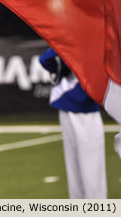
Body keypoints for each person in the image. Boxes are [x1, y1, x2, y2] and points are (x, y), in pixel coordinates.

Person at [39, 47, 107, 199]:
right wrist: (65, 40)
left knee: (89, 171)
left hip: (82, 108)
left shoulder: (92, 44)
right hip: (71, 105)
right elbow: (45, 61)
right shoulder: (75, 45)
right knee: (80, 171)